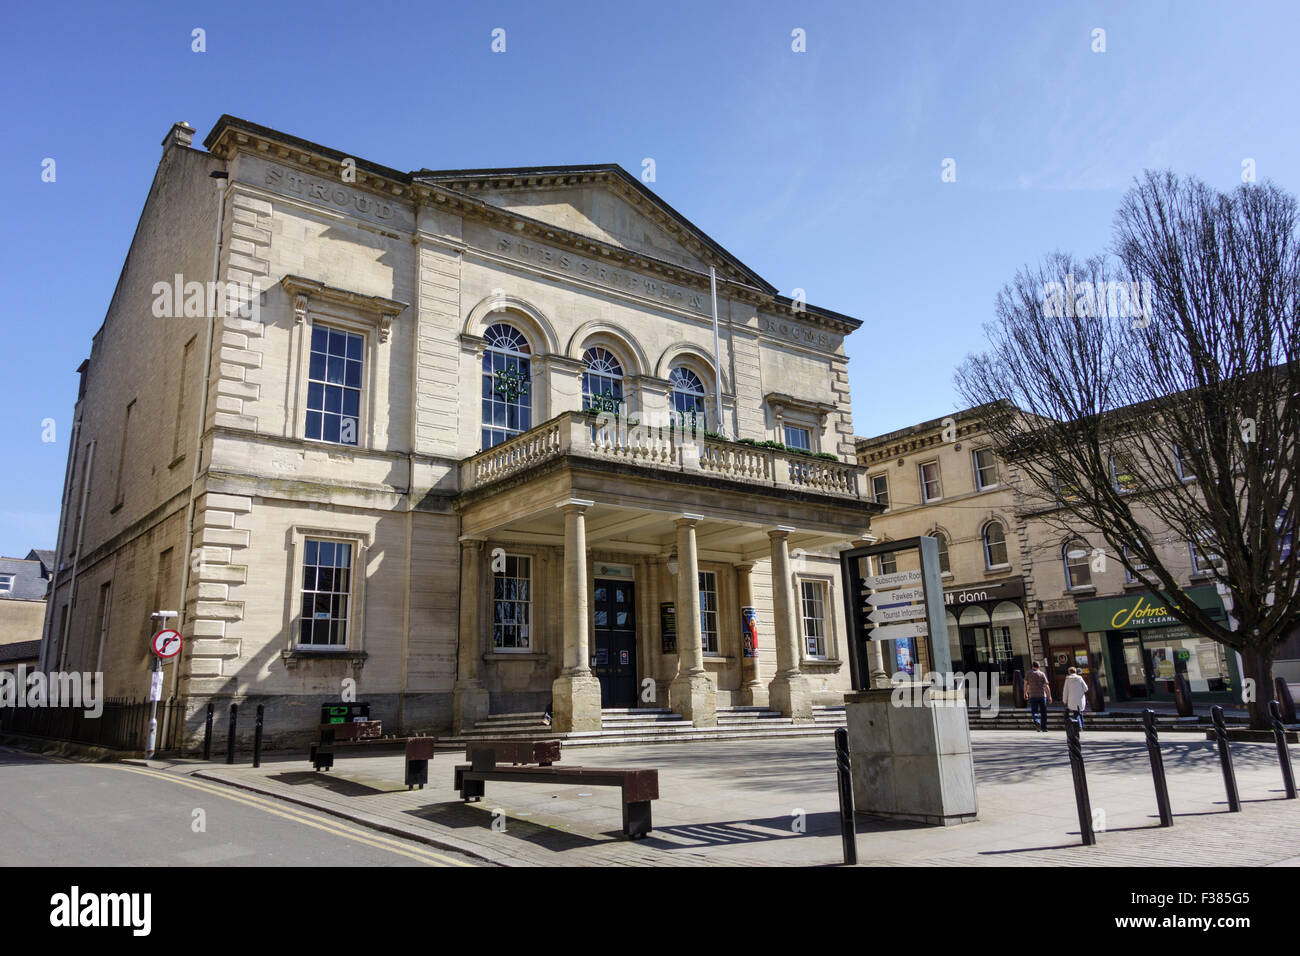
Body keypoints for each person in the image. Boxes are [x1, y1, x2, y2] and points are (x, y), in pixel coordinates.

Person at [1025, 660, 1052, 732]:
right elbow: (1046, 686)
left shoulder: (1028, 673)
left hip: (1032, 695)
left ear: (1032, 666)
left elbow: (1025, 684)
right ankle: (1044, 727)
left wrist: (1025, 693)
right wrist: (1049, 696)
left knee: (1034, 711)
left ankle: (1037, 721)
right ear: (1039, 666)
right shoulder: (1042, 674)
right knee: (1043, 712)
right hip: (1042, 695)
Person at [1062, 666, 1089, 730]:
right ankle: (1081, 725)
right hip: (1080, 698)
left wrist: (1064, 700)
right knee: (1080, 712)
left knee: (1076, 713)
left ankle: (1079, 725)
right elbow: (1086, 688)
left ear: (1069, 672)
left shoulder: (1068, 680)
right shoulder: (1080, 678)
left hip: (1072, 699)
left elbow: (1065, 691)